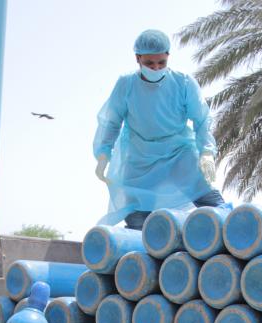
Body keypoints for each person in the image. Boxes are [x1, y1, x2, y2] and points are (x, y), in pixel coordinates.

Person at [93, 28, 226, 230]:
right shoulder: (126, 84)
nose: (155, 68)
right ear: (138, 58)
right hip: (139, 159)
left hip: (178, 153)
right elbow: (111, 121)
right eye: (149, 63)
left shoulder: (183, 82)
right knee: (138, 220)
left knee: (212, 202)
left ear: (168, 57)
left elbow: (202, 119)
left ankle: (236, 236)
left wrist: (206, 152)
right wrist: (104, 154)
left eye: (161, 63)